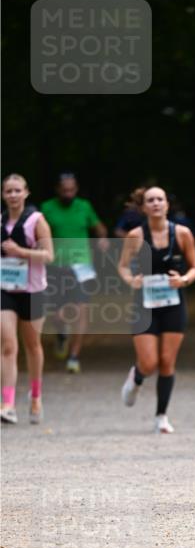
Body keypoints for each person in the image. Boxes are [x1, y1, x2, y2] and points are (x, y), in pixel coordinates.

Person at [118, 187, 195, 433]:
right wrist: (131, 280)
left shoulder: (182, 233)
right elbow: (123, 267)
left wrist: (183, 280)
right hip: (144, 305)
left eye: (160, 199)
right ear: (143, 207)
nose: (155, 203)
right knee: (149, 362)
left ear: (167, 205)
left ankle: (161, 416)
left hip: (173, 304)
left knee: (166, 362)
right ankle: (137, 377)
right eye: (150, 200)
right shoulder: (135, 236)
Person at [41, 173, 109, 373]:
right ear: (58, 190)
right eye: (64, 190)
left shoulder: (84, 206)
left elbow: (100, 228)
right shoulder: (47, 208)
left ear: (76, 189)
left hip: (81, 266)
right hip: (56, 266)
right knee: (57, 315)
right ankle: (62, 332)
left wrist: (103, 238)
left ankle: (73, 356)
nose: (68, 194)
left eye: (71, 190)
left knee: (81, 311)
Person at [1, 174, 53, 424]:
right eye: (8, 191)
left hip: (33, 291)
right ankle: (7, 403)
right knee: (8, 346)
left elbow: (49, 255)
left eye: (17, 190)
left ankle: (35, 396)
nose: (13, 195)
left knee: (32, 346)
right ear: (3, 195)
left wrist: (21, 251)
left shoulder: (36, 220)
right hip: (5, 290)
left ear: (26, 193)